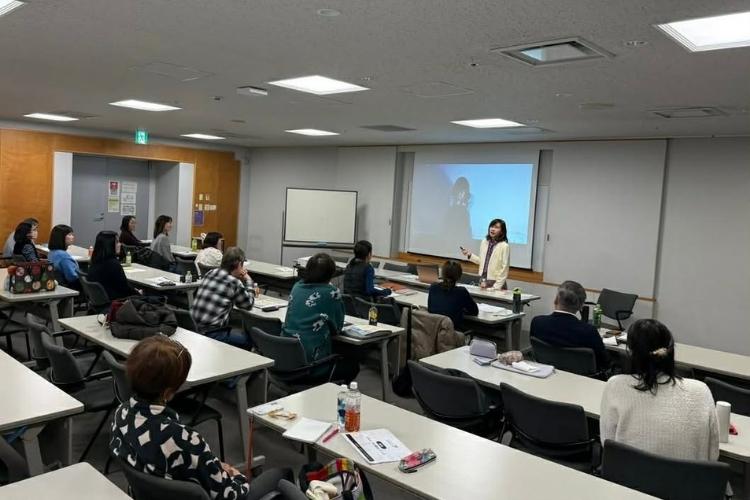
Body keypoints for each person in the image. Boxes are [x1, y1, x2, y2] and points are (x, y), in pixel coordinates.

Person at [110, 336, 292, 500]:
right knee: (282, 476)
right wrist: (237, 476)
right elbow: (230, 496)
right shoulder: (184, 439)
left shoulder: (120, 414)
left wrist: (213, 466)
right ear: (168, 392)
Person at [600, 319, 719, 461]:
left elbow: (607, 444)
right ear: (670, 350)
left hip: (628, 473)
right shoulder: (701, 391)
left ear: (631, 353)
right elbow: (713, 454)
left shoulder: (615, 386)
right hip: (688, 475)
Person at [282, 253, 358, 383]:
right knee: (352, 364)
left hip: (286, 360)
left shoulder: (297, 286)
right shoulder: (331, 293)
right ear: (331, 274)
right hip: (311, 366)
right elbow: (337, 328)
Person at [530, 280, 609, 372]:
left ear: (556, 300)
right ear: (581, 306)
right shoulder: (589, 331)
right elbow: (604, 362)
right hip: (583, 378)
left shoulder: (537, 322)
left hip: (547, 373)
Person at [191, 247, 255, 348]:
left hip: (193, 328)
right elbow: (248, 305)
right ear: (239, 265)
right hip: (212, 334)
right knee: (250, 340)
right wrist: (248, 280)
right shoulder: (234, 282)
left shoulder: (210, 273)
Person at [427, 260, 478, 330]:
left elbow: (430, 308)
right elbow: (474, 311)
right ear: (459, 276)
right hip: (452, 333)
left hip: (433, 331)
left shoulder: (433, 287)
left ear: (442, 274)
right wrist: (461, 310)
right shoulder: (461, 292)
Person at [87, 231, 139, 300]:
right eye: (117, 242)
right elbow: (124, 288)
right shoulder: (113, 264)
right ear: (109, 244)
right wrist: (137, 292)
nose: (120, 244)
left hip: (100, 300)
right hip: (116, 301)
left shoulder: (94, 261)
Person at [461, 218, 510, 289]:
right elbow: (481, 261)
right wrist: (469, 254)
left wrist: (496, 287)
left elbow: (504, 269)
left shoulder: (504, 246)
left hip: (496, 282)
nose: (492, 229)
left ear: (502, 232)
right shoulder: (484, 242)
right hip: (483, 280)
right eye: (492, 226)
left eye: (496, 227)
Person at [47, 225, 80, 289]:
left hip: (59, 285)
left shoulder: (52, 252)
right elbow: (72, 277)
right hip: (70, 287)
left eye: (72, 235)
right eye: (69, 235)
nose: (72, 237)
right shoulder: (63, 256)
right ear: (61, 237)